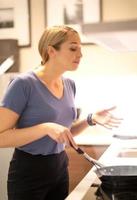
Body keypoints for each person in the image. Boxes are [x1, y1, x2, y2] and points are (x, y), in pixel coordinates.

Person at [0, 25, 122, 200]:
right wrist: (44, 128)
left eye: (80, 49)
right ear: (51, 51)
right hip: (29, 172)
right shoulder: (23, 84)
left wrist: (90, 119)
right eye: (73, 48)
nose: (80, 55)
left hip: (59, 168)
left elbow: (63, 133)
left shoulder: (69, 85)